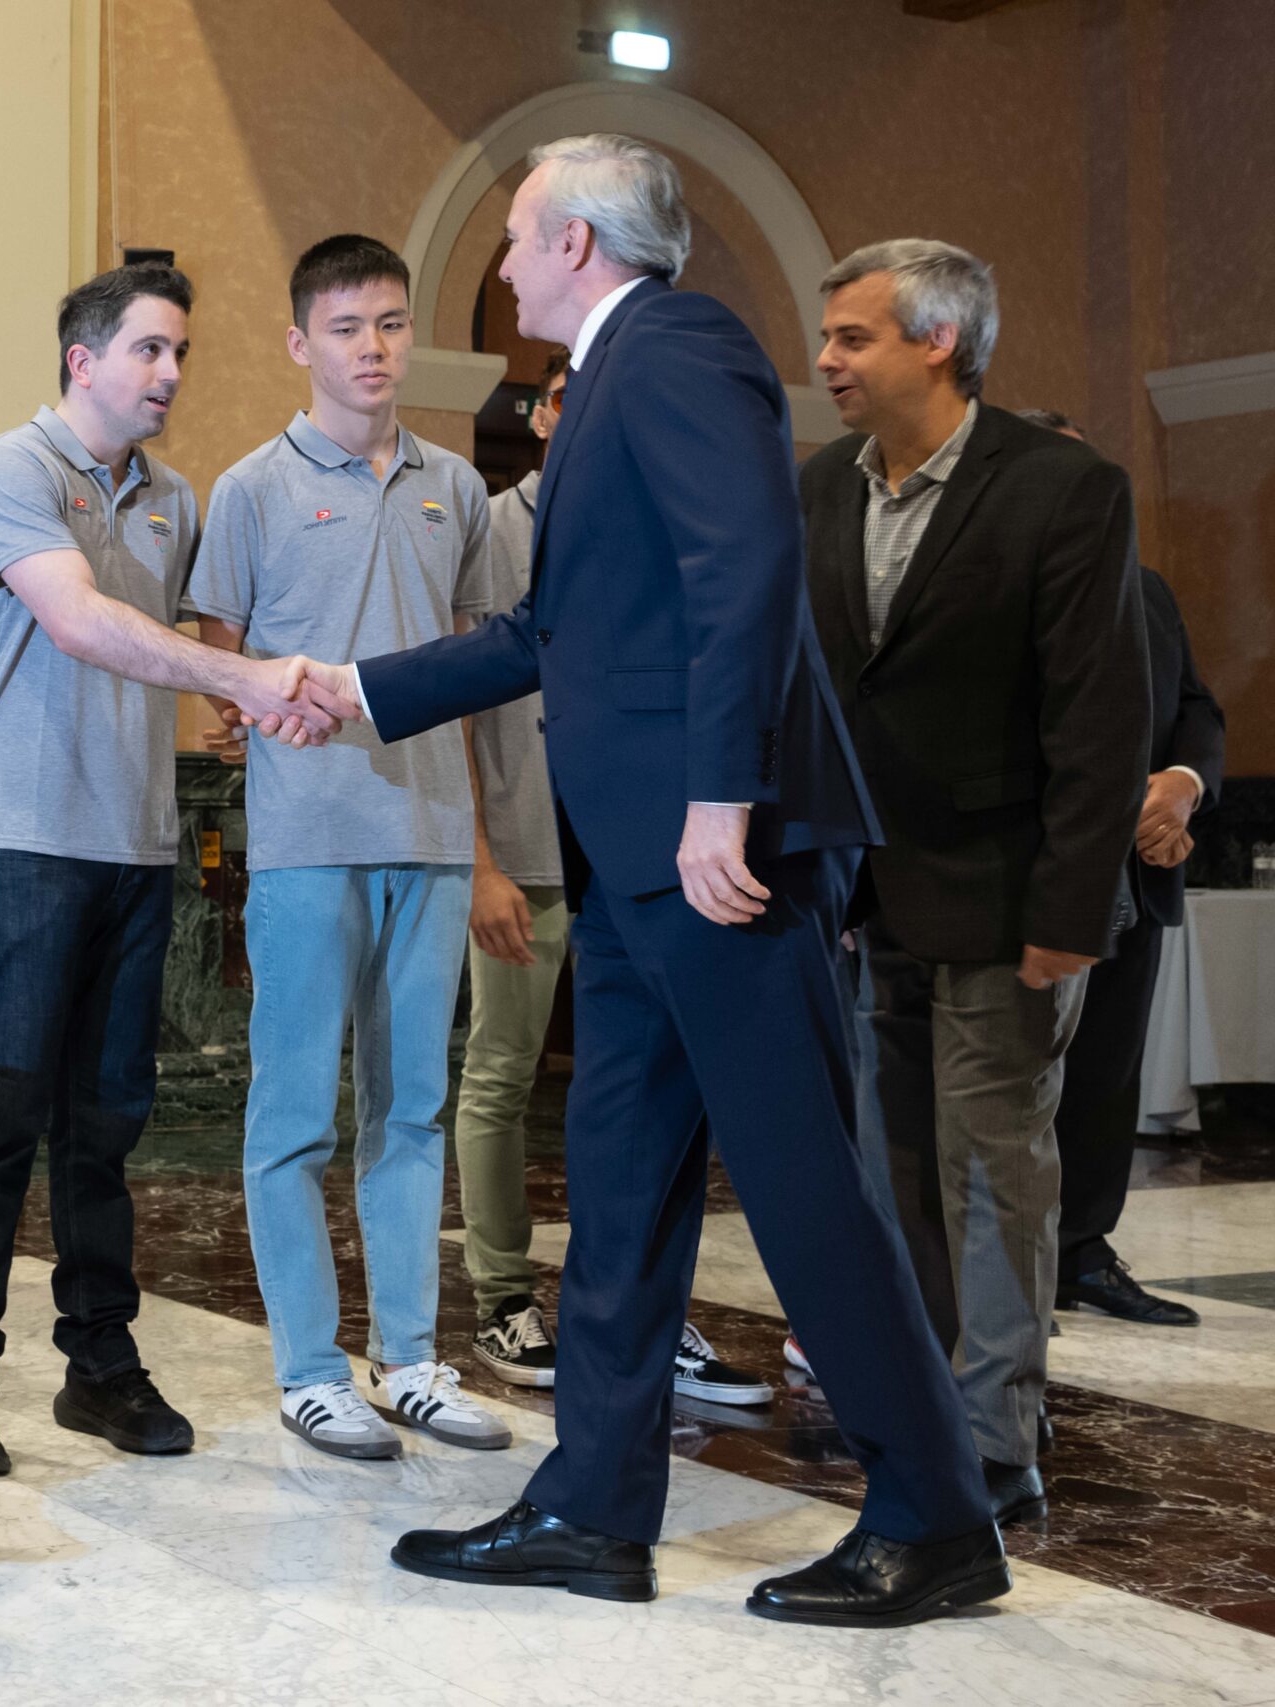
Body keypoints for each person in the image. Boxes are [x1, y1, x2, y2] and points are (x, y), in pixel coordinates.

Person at [326, 135, 1005, 1626]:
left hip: (715, 847)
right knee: (624, 1183)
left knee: (807, 1178)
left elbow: (745, 564)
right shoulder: (616, 380)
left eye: (514, 236)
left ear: (576, 242)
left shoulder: (681, 344)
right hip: (639, 858)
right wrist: (349, 685)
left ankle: (937, 1512)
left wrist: (722, 796)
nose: (500, 264)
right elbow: (552, 629)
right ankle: (593, 1502)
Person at [0, 262, 361, 1478]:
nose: (169, 376)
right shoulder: (12, 470)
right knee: (1, 1121)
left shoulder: (173, 497)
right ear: (83, 361)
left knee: (107, 1128)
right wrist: (242, 680)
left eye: (179, 356)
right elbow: (76, 622)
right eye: (150, 352)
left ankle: (99, 1371)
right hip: (23, 840)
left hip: (136, 841)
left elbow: (179, 645)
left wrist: (246, 691)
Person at [802, 245, 1151, 1527]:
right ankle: (918, 1408)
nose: (826, 361)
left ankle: (997, 1436)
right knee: (894, 1174)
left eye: (851, 338)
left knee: (991, 1170)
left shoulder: (1062, 486)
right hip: (864, 901)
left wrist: (1071, 914)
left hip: (1011, 907)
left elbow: (1099, 720)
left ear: (937, 339)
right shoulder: (817, 490)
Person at [189, 234, 510, 1458]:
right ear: (298, 344)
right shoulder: (250, 490)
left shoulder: (456, 489)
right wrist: (253, 720)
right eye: (345, 329)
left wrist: (479, 851)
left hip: (428, 840)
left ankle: (413, 1359)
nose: (371, 350)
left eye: (387, 325)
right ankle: (310, 1370)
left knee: (412, 1109)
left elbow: (475, 678)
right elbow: (219, 661)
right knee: (292, 1118)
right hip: (305, 846)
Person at [453, 351, 774, 1410]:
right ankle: (502, 1294)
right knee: (503, 1075)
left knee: (649, 1101)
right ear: (545, 418)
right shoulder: (491, 524)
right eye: (568, 403)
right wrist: (482, 861)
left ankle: (643, 1312)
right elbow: (468, 694)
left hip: (639, 853)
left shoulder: (658, 524)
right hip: (531, 852)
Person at [1012, 411, 1224, 1330]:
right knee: (1015, 1082)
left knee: (1105, 1077)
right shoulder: (995, 589)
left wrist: (1178, 790)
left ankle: (1081, 1251)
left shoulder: (1148, 591)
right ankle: (1006, 1268)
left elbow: (1197, 710)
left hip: (1137, 881)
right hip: (1033, 875)